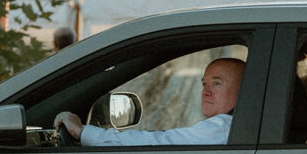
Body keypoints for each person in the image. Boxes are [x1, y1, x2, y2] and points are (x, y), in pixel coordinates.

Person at [54, 58, 245, 146]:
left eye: (217, 83)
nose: (205, 91)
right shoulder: (234, 129)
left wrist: (82, 133)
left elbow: (157, 143)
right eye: (204, 84)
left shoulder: (224, 128)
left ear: (244, 90)